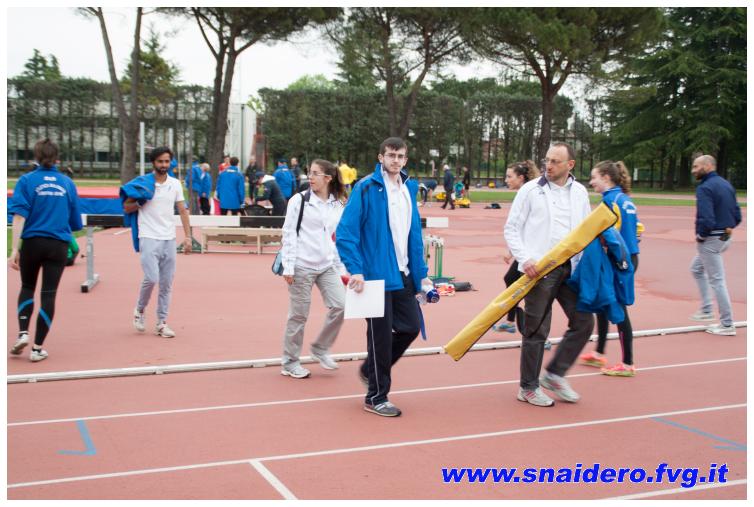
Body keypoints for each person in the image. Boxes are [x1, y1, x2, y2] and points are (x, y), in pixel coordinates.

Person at [336, 137, 431, 417]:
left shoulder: (409, 188)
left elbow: (414, 236)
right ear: (381, 158)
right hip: (374, 277)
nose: (395, 160)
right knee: (379, 338)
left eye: (400, 156)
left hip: (403, 273)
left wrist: (422, 276)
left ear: (406, 159)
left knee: (411, 327)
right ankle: (376, 397)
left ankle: (370, 369)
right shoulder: (365, 188)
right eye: (391, 155)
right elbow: (346, 232)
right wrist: (355, 269)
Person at [503, 142, 593, 407]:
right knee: (537, 329)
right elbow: (511, 228)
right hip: (539, 270)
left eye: (555, 161)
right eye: (547, 160)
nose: (549, 165)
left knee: (584, 322)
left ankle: (554, 374)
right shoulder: (531, 190)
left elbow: (586, 229)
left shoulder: (580, 192)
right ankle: (528, 387)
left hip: (570, 269)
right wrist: (525, 259)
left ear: (570, 165)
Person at [8, 139, 83, 362]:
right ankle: (37, 348)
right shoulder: (68, 183)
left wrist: (14, 250)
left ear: (36, 156)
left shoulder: (26, 181)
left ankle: (23, 333)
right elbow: (75, 223)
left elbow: (19, 216)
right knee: (48, 294)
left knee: (27, 286)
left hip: (33, 242)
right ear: (57, 157)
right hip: (57, 245)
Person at [279, 159, 347, 379]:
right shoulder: (299, 200)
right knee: (298, 316)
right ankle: (290, 362)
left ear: (328, 178)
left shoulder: (337, 204)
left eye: (315, 173)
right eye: (310, 172)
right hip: (301, 265)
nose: (310, 177)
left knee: (341, 305)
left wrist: (340, 267)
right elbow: (289, 233)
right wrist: (288, 266)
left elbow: (334, 237)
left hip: (327, 265)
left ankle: (320, 347)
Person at [122, 146, 193, 338]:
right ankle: (140, 309)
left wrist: (188, 236)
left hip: (168, 237)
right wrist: (140, 202)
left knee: (166, 283)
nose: (164, 165)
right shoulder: (143, 184)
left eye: (167, 161)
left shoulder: (175, 184)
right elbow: (126, 207)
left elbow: (183, 210)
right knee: (152, 278)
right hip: (148, 236)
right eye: (160, 161)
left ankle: (162, 322)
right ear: (153, 163)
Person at [579, 161, 640, 376]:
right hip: (629, 257)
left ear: (606, 177)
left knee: (618, 309)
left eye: (594, 177)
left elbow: (608, 232)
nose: (591, 182)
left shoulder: (610, 202)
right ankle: (599, 352)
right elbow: (637, 229)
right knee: (602, 302)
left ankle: (628, 363)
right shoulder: (625, 199)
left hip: (619, 260)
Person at [688, 155, 741, 336]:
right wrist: (728, 228)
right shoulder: (726, 185)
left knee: (717, 281)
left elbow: (707, 218)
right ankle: (706, 309)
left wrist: (701, 235)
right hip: (725, 237)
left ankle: (727, 324)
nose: (693, 170)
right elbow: (737, 215)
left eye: (696, 166)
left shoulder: (705, 188)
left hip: (710, 239)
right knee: (696, 268)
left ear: (709, 165)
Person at [494, 161, 540, 335]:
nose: (506, 180)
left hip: (533, 253)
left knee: (531, 291)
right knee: (512, 280)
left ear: (521, 178)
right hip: (526, 251)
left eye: (509, 176)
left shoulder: (529, 193)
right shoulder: (526, 192)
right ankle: (511, 322)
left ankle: (536, 333)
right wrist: (512, 251)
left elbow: (525, 226)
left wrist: (514, 252)